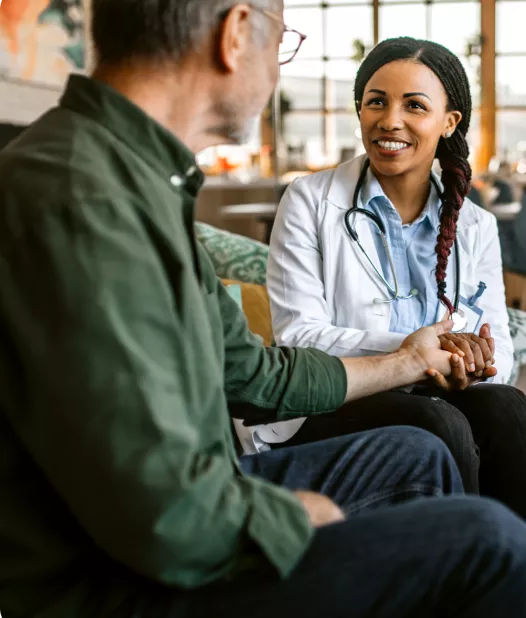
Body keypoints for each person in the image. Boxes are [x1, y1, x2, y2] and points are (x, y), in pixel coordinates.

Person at [1, 6, 526, 617]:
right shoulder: (85, 201)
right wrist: (287, 516)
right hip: (111, 575)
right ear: (233, 34)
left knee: (427, 449)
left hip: (193, 494)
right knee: (488, 540)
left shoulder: (136, 182)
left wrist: (408, 359)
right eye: (283, 41)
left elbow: (250, 372)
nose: (280, 68)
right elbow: (158, 512)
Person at [267, 36, 526, 516]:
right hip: (334, 400)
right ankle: (457, 569)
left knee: (507, 408)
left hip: (438, 394)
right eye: (376, 102)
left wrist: (472, 363)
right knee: (435, 422)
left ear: (449, 122)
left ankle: (511, 575)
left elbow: (500, 350)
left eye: (415, 106)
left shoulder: (475, 225)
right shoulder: (308, 200)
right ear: (360, 111)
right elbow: (296, 337)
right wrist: (410, 351)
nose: (391, 120)